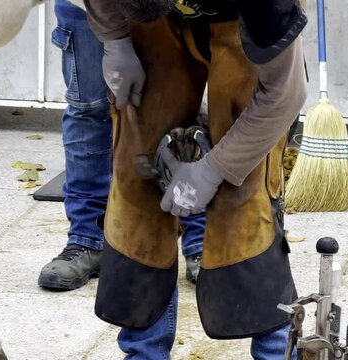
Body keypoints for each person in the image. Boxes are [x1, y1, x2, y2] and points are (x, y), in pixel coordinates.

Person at [81, 0, 308, 358]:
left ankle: (276, 352)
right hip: (157, 25)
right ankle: (143, 352)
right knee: (136, 177)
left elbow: (285, 93)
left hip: (241, 21)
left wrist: (214, 169)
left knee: (247, 193)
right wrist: (115, 40)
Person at [37, 0, 205, 291]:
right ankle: (88, 239)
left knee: (180, 108)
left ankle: (201, 239)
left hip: (167, 9)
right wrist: (114, 41)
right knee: (87, 108)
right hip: (85, 6)